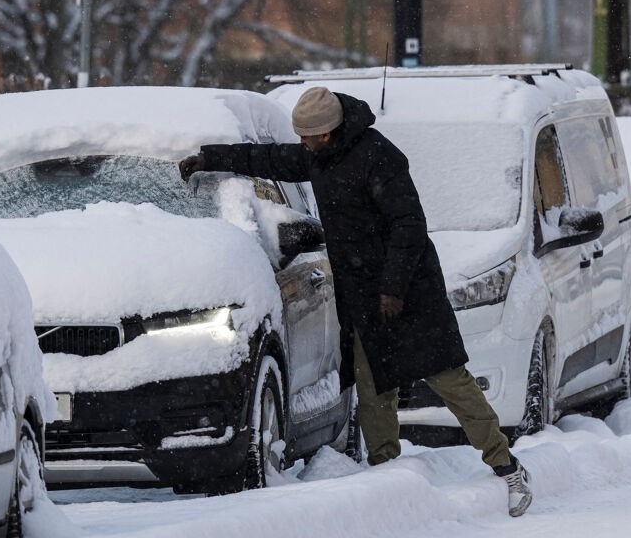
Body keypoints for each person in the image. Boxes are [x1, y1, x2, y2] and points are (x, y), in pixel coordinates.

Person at [179, 86, 532, 517]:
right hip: (364, 297)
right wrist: (212, 158)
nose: (302, 145)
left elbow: (409, 225)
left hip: (410, 294)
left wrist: (394, 289)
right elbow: (271, 160)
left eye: (307, 137)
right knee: (373, 388)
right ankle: (386, 479)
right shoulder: (319, 155)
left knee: (450, 382)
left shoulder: (379, 158)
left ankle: (507, 467)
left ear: (328, 133)